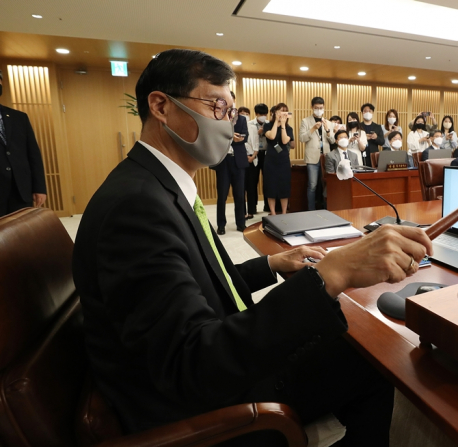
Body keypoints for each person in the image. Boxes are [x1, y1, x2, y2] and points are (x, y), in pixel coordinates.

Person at [73, 49, 433, 447]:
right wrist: (332, 273)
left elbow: (196, 284)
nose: (230, 126)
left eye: (233, 112)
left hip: (211, 371)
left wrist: (270, 264)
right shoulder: (136, 208)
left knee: (349, 344)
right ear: (161, 106)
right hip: (206, 407)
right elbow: (191, 366)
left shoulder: (157, 186)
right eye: (218, 107)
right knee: (370, 362)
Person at [0, 68, 47, 217]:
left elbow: (33, 154)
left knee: (21, 233)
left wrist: (39, 187)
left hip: (20, 190)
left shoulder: (19, 117)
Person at [212, 91, 247, 234]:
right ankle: (221, 225)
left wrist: (229, 137)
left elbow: (244, 136)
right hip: (223, 160)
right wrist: (232, 137)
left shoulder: (242, 118)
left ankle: (241, 223)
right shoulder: (216, 117)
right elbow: (215, 137)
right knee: (222, 195)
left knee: (239, 194)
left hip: (238, 160)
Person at [300, 97, 334, 210]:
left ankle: (326, 208)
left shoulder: (328, 122)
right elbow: (302, 138)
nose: (319, 110)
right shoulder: (305, 121)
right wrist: (313, 129)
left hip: (326, 157)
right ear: (312, 107)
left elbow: (333, 141)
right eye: (316, 108)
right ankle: (311, 210)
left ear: (324, 107)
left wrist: (328, 130)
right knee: (312, 185)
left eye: (321, 108)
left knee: (327, 185)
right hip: (312, 158)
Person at [263, 103, 294, 215]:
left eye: (285, 111)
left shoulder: (289, 128)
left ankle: (284, 212)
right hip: (270, 160)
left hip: (283, 160)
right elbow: (271, 136)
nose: (283, 113)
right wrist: (276, 121)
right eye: (281, 111)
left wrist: (283, 125)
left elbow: (285, 141)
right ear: (275, 112)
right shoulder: (267, 125)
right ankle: (273, 212)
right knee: (270, 186)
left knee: (284, 186)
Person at [250, 103, 270, 212]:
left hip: (267, 154)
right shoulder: (250, 124)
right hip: (254, 155)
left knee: (267, 181)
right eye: (261, 114)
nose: (263, 116)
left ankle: (267, 206)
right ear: (256, 114)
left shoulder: (269, 124)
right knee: (253, 181)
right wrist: (257, 133)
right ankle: (252, 208)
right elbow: (248, 140)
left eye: (265, 114)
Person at [243, 107, 261, 219]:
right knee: (241, 187)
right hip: (241, 160)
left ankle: (251, 210)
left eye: (246, 113)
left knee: (251, 186)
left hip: (253, 159)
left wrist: (253, 156)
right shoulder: (234, 126)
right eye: (242, 113)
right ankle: (243, 211)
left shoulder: (252, 127)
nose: (244, 115)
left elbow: (256, 143)